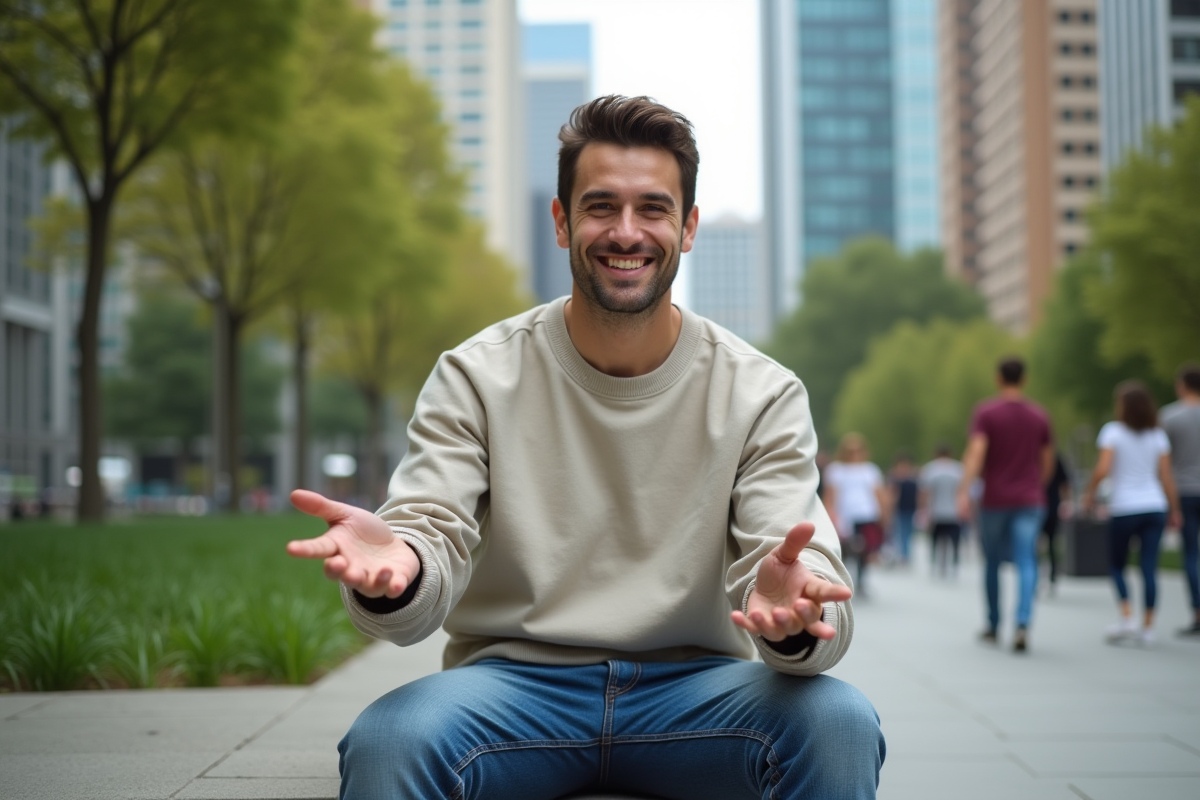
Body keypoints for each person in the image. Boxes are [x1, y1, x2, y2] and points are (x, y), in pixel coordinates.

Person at [285, 96, 883, 800]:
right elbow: (427, 540)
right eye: (601, 206)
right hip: (512, 693)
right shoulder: (477, 375)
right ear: (563, 221)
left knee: (839, 721)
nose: (626, 232)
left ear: (687, 228)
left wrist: (793, 619)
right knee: (389, 739)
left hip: (700, 695)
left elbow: (794, 563)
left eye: (654, 209)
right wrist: (402, 569)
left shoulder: (761, 392)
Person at [958, 357, 1053, 653]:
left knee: (993, 562)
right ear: (1024, 379)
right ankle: (1023, 623)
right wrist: (1037, 486)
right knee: (1027, 560)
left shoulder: (986, 413)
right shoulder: (1039, 415)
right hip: (1030, 499)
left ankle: (993, 624)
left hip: (995, 500)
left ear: (999, 378)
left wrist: (964, 489)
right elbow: (1047, 460)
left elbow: (977, 452)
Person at [1082, 381, 1180, 646]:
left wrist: (1089, 493)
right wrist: (1175, 509)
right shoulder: (1157, 436)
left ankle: (1127, 616)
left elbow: (1102, 469)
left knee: (1117, 565)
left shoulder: (1113, 432)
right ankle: (1148, 627)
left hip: (1124, 507)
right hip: (1154, 506)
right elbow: (1166, 477)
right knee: (1149, 567)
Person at [823, 433, 889, 596]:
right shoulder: (836, 470)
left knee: (865, 551)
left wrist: (884, 515)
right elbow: (830, 495)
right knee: (844, 550)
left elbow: (879, 494)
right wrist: (830, 514)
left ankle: (861, 581)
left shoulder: (870, 470)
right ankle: (843, 581)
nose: (855, 454)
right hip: (844, 516)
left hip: (866, 515)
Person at [1161, 363, 1200, 637]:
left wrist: (1170, 504)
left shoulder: (1169, 417)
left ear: (1182, 385)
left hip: (1185, 492)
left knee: (1191, 554)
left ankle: (1198, 612)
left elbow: (1163, 464)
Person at [919, 444, 965, 579]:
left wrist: (924, 510)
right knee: (955, 541)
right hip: (954, 512)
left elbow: (925, 493)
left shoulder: (931, 469)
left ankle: (935, 564)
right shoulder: (958, 469)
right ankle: (955, 565)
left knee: (935, 540)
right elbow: (963, 491)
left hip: (936, 512)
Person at [1041, 452, 1072, 593]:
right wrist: (1066, 501)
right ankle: (1051, 577)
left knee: (1037, 545)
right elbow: (1065, 484)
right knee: (1052, 544)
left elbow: (1065, 483)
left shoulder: (1034, 456)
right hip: (1050, 505)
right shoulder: (1054, 458)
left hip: (1036, 506)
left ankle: (1045, 576)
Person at [888, 453, 919, 566]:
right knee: (900, 532)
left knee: (908, 532)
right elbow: (893, 495)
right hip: (899, 509)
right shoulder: (895, 478)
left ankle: (905, 555)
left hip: (910, 508)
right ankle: (902, 554)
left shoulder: (913, 478)